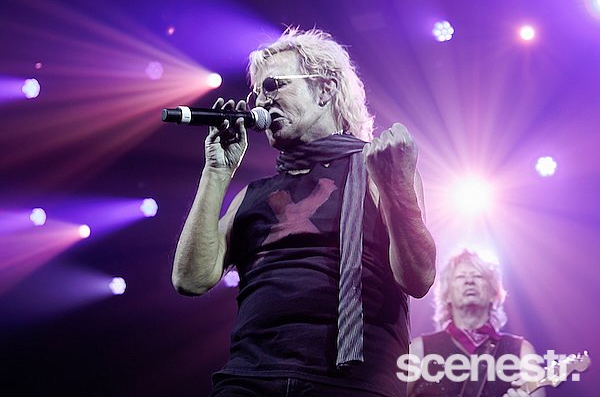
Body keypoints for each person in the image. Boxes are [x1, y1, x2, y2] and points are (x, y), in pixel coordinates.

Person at [172, 27, 436, 397]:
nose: (261, 102)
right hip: (250, 378)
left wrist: (397, 188)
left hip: (351, 382)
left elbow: (419, 278)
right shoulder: (251, 195)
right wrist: (216, 172)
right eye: (256, 93)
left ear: (324, 89)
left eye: (273, 86)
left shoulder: (378, 170)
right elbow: (190, 279)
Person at [407, 250, 546, 397]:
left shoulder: (521, 351)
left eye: (478, 276)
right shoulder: (419, 349)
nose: (469, 281)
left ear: (493, 293)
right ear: (447, 295)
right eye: (460, 277)